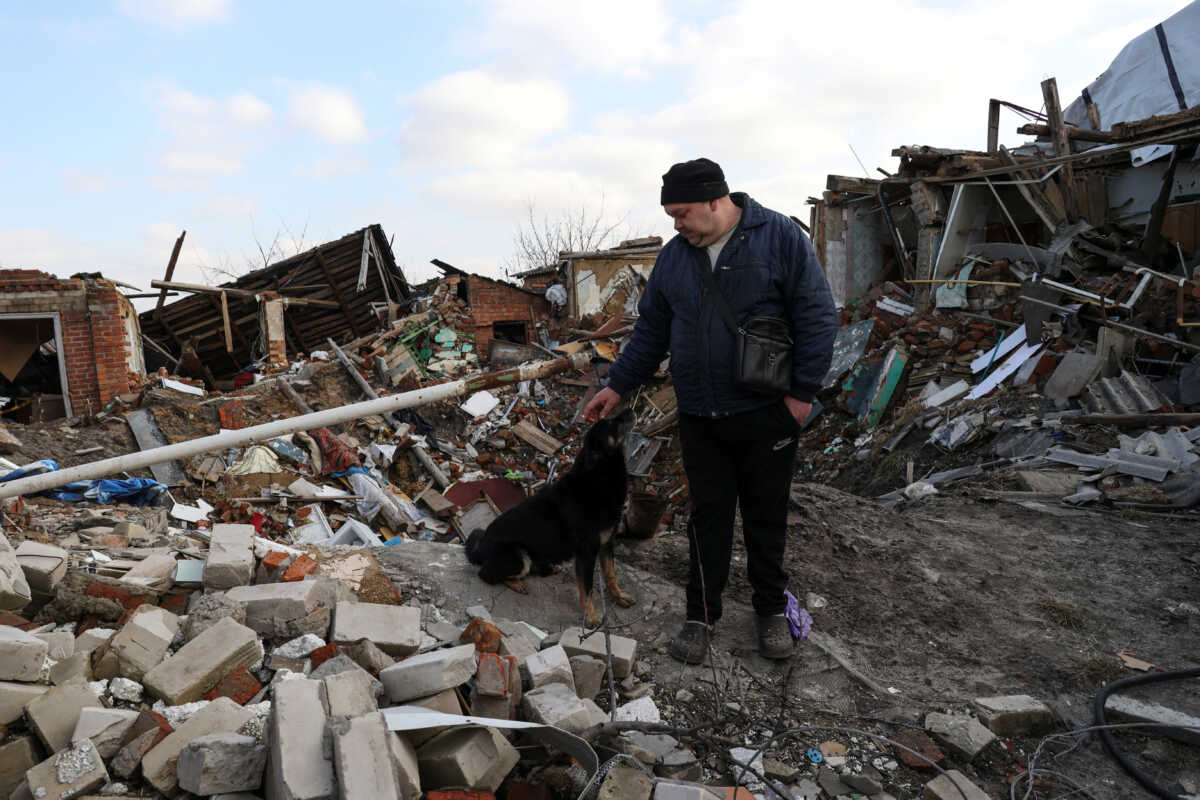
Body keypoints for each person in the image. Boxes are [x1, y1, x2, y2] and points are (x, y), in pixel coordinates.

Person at [584, 157, 837, 663]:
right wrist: (618, 384)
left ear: (715, 201)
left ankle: (769, 612)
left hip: (767, 409)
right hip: (700, 413)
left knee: (766, 516)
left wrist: (802, 395)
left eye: (681, 213)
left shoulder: (779, 238)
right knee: (708, 517)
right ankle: (700, 616)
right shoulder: (677, 258)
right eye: (671, 215)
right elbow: (652, 330)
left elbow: (817, 315)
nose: (675, 225)